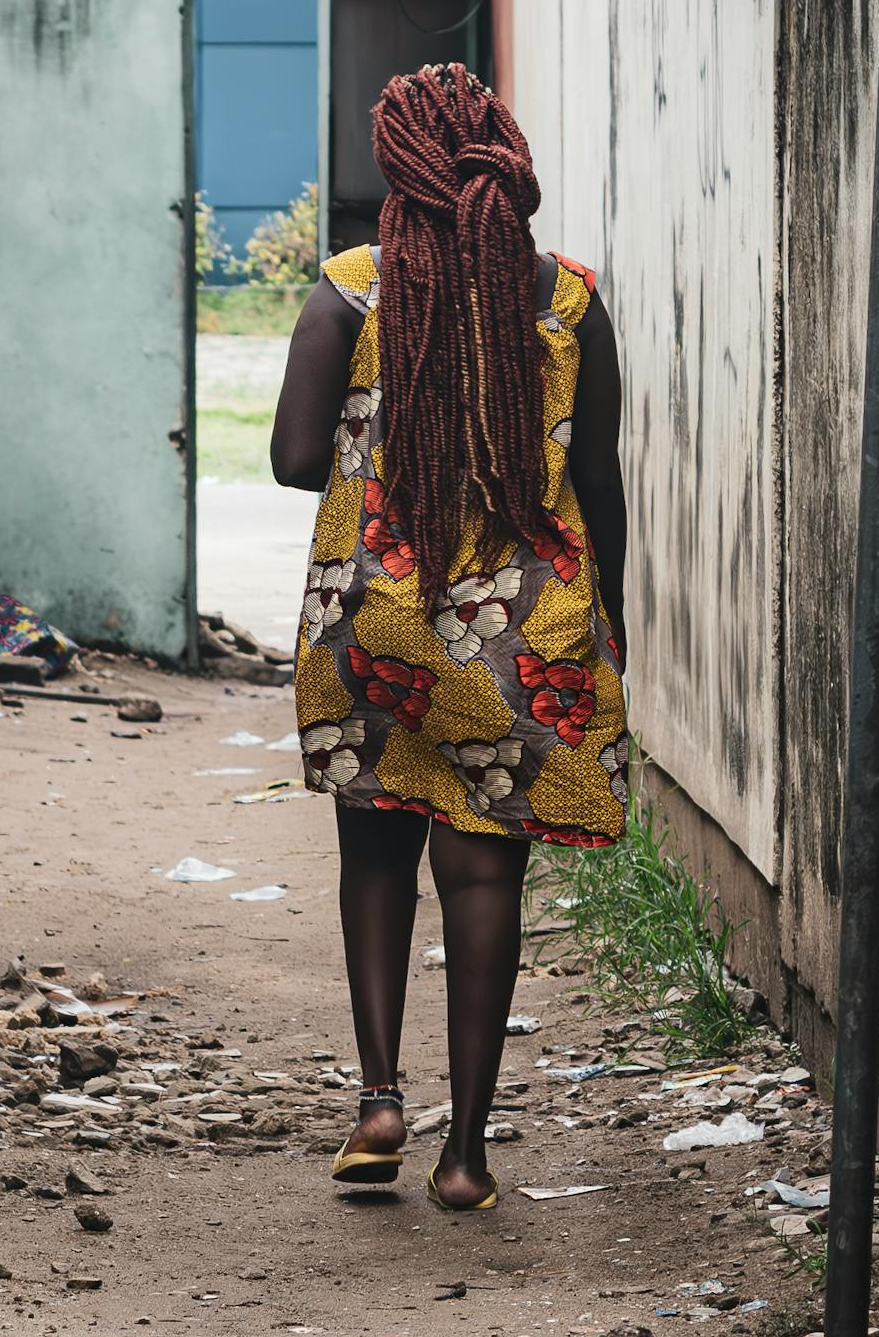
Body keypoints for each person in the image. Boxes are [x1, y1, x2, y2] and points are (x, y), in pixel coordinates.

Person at [270, 62, 630, 1212]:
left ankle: (380, 1094)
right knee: (482, 874)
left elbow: (289, 460)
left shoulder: (349, 293)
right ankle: (465, 1152)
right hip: (520, 631)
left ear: (398, 161)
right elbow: (599, 479)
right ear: (498, 159)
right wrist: (609, 618)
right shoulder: (564, 299)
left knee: (373, 854)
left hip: (375, 615)